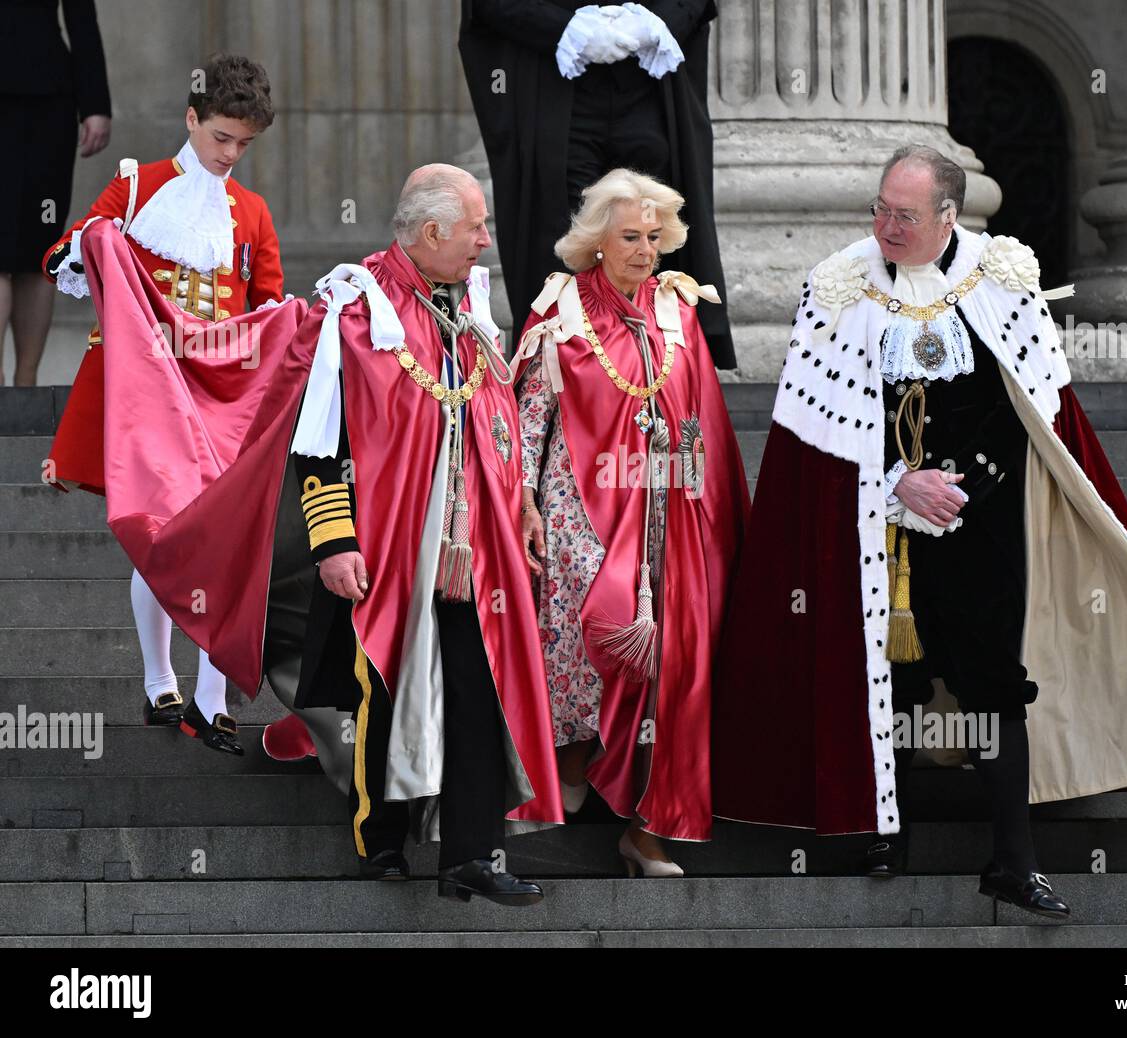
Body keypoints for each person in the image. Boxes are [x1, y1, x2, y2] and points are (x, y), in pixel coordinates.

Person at [711, 144, 1127, 920]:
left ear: (946, 215)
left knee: (994, 683)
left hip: (982, 520)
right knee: (884, 672)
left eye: (904, 214)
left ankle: (1012, 859)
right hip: (872, 520)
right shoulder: (838, 283)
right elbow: (812, 425)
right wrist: (897, 482)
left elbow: (1037, 407)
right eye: (879, 208)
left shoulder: (1001, 276)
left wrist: (955, 487)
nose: (886, 225)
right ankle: (881, 832)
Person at [69, 162, 564, 901]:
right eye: (475, 228)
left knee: (469, 683)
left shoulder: (471, 308)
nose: (486, 242)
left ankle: (473, 854)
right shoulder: (356, 311)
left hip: (468, 552)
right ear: (431, 232)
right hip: (380, 549)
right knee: (385, 692)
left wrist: (519, 501)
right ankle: (383, 838)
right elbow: (316, 440)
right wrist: (334, 543)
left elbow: (492, 421)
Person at [42, 53, 283, 754]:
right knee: (158, 542)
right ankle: (158, 684)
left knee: (222, 547)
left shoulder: (254, 212)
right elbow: (65, 253)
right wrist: (91, 242)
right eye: (221, 139)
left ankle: (211, 697)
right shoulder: (136, 187)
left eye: (243, 145)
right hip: (145, 403)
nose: (230, 156)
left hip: (218, 406)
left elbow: (266, 308)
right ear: (191, 119)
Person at [513, 168, 749, 875]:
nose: (646, 250)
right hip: (579, 503)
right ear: (596, 242)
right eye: (630, 237)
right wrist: (521, 498)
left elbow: (703, 414)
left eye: (654, 236)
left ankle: (647, 827)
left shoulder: (677, 308)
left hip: (668, 509)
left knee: (674, 657)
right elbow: (529, 418)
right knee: (601, 615)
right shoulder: (560, 308)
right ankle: (578, 758)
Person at [460, 1, 735, 367]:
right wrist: (564, 27)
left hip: (651, 81)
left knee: (659, 230)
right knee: (560, 239)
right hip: (552, 80)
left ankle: (661, 381)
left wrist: (652, 22)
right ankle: (565, 385)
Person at [0, 0, 111, 386]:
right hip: (44, 96)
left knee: (37, 247)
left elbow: (81, 16)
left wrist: (96, 104)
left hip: (46, 103)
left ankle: (26, 385)